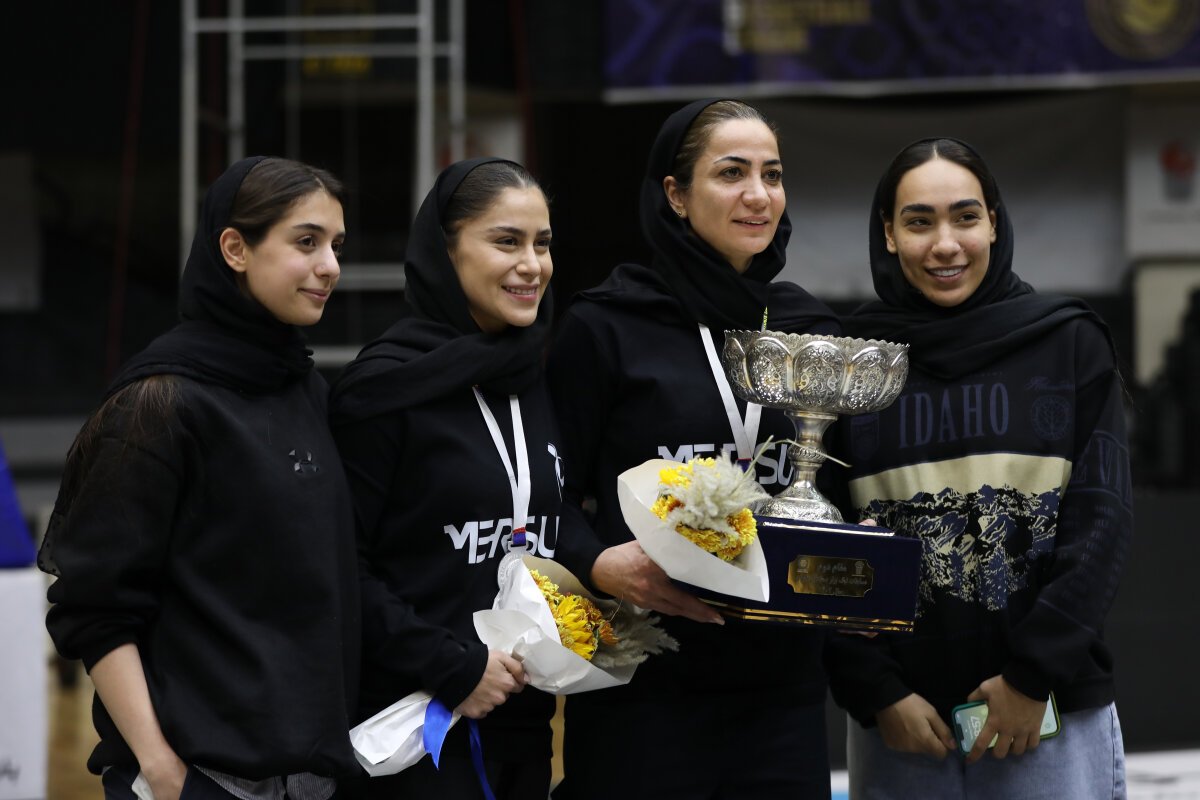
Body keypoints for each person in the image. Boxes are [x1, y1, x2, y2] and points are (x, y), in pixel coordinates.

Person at [39, 157, 361, 800]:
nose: (330, 265)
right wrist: (163, 771)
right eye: (306, 242)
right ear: (235, 249)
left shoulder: (304, 388)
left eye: (336, 245)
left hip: (310, 777)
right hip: (200, 778)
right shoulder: (158, 404)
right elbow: (95, 609)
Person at [547, 99, 841, 799]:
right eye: (731, 173)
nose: (758, 194)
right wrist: (597, 562)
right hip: (643, 687)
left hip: (782, 694)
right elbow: (544, 496)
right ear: (675, 195)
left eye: (772, 174)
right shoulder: (606, 326)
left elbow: (838, 493)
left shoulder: (809, 331)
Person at [825, 138, 1130, 799]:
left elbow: (1101, 525)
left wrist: (1029, 680)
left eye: (965, 217)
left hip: (1046, 716)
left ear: (993, 221)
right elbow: (823, 544)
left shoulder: (1068, 342)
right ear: (888, 233)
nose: (945, 245)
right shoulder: (850, 364)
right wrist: (878, 692)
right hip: (904, 731)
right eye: (918, 222)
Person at [330, 158, 563, 799]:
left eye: (542, 244)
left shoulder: (533, 374)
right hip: (410, 728)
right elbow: (341, 568)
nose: (532, 265)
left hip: (521, 721)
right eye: (507, 241)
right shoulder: (382, 388)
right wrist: (451, 665)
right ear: (446, 250)